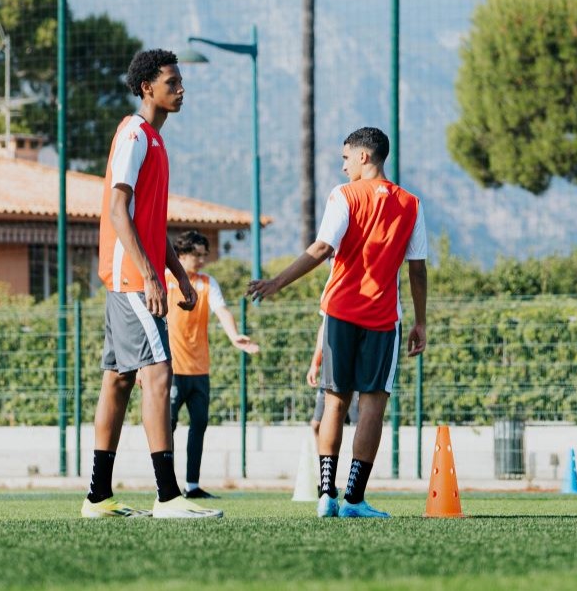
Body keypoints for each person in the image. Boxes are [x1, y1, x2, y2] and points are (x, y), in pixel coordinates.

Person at [249, 127, 428, 519]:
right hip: (384, 320)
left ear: (364, 156)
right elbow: (417, 269)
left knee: (335, 401)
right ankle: (354, 500)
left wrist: (277, 282)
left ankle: (326, 495)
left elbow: (322, 248)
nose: (344, 166)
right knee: (373, 405)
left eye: (346, 157)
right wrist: (421, 322)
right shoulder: (412, 204)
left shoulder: (343, 194)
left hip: (340, 313)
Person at [82, 49, 222, 520]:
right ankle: (167, 496)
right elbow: (117, 210)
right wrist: (148, 276)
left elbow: (150, 223)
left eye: (181, 82)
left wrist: (178, 275)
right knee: (159, 374)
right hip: (130, 279)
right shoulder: (135, 135)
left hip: (131, 277)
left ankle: (98, 498)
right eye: (172, 82)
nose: (181, 89)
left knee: (119, 380)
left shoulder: (155, 141)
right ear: (147, 88)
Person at [165, 230, 260, 499]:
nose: (202, 260)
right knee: (166, 428)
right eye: (197, 255)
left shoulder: (207, 283)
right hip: (171, 370)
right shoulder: (165, 279)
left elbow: (222, 311)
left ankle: (192, 486)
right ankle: (167, 487)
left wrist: (234, 336)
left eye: (205, 255)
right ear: (181, 254)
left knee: (199, 425)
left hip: (199, 371)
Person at [306, 319, 357, 440]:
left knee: (360, 421)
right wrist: (315, 364)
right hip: (333, 363)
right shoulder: (328, 310)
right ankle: (324, 453)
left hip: (357, 367)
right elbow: (324, 326)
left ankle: (357, 454)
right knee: (317, 424)